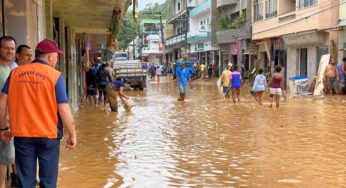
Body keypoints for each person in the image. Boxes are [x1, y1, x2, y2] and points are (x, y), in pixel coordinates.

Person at [0, 39, 77, 187]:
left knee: (26, 182)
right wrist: (72, 133)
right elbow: (64, 108)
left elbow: (2, 102)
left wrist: (3, 128)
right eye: (56, 56)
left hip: (22, 135)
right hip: (48, 136)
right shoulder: (55, 76)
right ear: (50, 57)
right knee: (48, 182)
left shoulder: (15, 73)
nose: (56, 59)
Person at [0, 36, 17, 188]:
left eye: (12, 48)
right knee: (3, 159)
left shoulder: (10, 70)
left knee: (6, 158)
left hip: (7, 122)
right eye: (6, 48)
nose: (9, 51)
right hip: (2, 123)